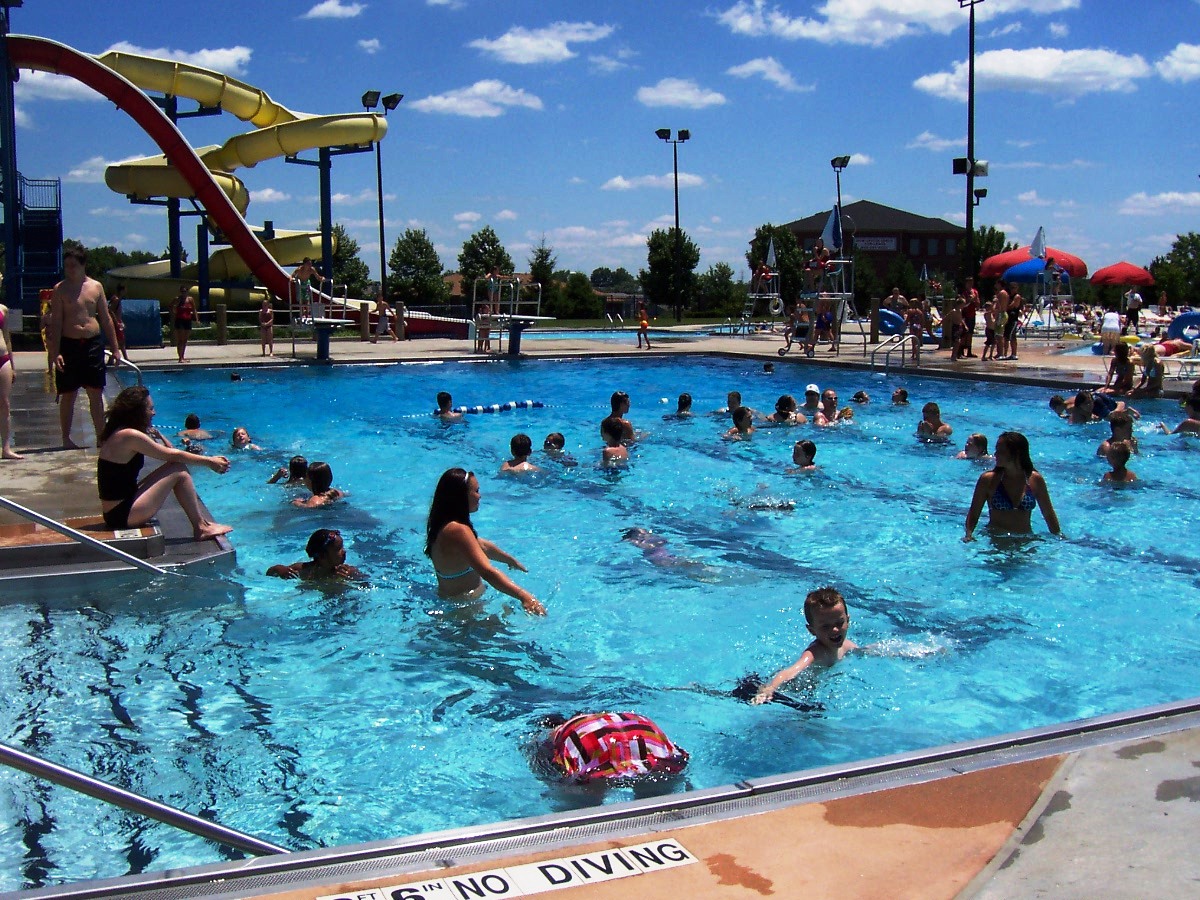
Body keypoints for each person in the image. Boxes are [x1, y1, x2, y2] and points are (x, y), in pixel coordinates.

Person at [96, 385, 233, 539]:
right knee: (179, 471)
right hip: (122, 514)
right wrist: (209, 461)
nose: (153, 413)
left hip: (117, 510)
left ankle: (202, 524)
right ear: (138, 412)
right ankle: (201, 527)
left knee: (176, 466)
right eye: (150, 409)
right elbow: (171, 454)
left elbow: (171, 453)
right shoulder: (129, 435)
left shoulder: (118, 430)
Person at [424, 467, 544, 614]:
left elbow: (480, 545)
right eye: (476, 491)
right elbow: (487, 571)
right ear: (461, 497)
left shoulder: (445, 525)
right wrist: (524, 596)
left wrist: (509, 560)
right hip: (465, 612)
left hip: (459, 605)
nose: (479, 496)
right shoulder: (458, 531)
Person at [47, 246, 122, 449]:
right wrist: (55, 353)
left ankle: (101, 436)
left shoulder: (96, 287)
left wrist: (115, 348)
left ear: (83, 265)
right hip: (69, 344)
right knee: (68, 394)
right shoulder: (60, 289)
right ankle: (66, 438)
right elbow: (56, 323)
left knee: (95, 392)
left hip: (92, 343)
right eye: (67, 265)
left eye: (74, 265)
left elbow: (106, 319)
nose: (70, 269)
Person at [751, 587, 858, 705]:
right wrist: (770, 689)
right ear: (812, 630)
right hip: (792, 691)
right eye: (825, 627)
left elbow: (860, 652)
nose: (834, 630)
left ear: (848, 621)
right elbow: (790, 671)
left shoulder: (847, 645)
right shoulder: (814, 652)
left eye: (839, 623)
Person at [964, 431, 1061, 541]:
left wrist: (1059, 538)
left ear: (1016, 453)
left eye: (1001, 451)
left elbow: (1048, 514)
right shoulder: (988, 480)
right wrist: (969, 535)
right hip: (996, 540)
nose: (995, 454)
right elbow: (974, 513)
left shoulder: (1035, 479)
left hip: (1026, 541)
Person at [539, 712, 688, 783]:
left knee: (585, 796)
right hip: (644, 731)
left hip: (593, 744)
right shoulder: (623, 716)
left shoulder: (561, 732)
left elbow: (546, 765)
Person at [266, 528, 364, 582]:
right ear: (322, 556)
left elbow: (365, 582)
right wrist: (279, 569)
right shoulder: (302, 569)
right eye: (339, 549)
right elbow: (270, 573)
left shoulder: (347, 571)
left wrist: (352, 577)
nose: (344, 551)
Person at [0, 301, 21, 460]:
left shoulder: (3, 309)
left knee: (4, 403)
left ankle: (6, 448)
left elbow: (7, 338)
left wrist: (13, 365)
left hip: (3, 358)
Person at [170, 285, 196, 363]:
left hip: (187, 320)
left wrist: (196, 319)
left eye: (185, 291)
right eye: (182, 291)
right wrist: (174, 310)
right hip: (180, 320)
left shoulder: (190, 299)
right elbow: (171, 306)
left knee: (185, 340)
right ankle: (180, 358)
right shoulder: (177, 299)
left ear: (187, 292)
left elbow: (194, 309)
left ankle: (183, 356)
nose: (183, 293)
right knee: (180, 340)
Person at [107, 284, 130, 364]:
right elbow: (111, 311)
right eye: (124, 290)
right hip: (116, 322)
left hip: (117, 321)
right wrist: (117, 322)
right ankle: (126, 359)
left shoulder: (116, 298)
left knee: (117, 341)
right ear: (121, 291)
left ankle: (111, 360)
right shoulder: (116, 299)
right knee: (121, 341)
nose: (125, 292)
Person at [905, 300, 925, 366]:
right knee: (917, 341)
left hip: (913, 327)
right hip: (919, 327)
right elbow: (922, 321)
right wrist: (922, 328)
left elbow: (907, 320)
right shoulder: (920, 312)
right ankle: (916, 354)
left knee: (913, 342)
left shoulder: (910, 311)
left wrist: (903, 325)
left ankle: (914, 355)